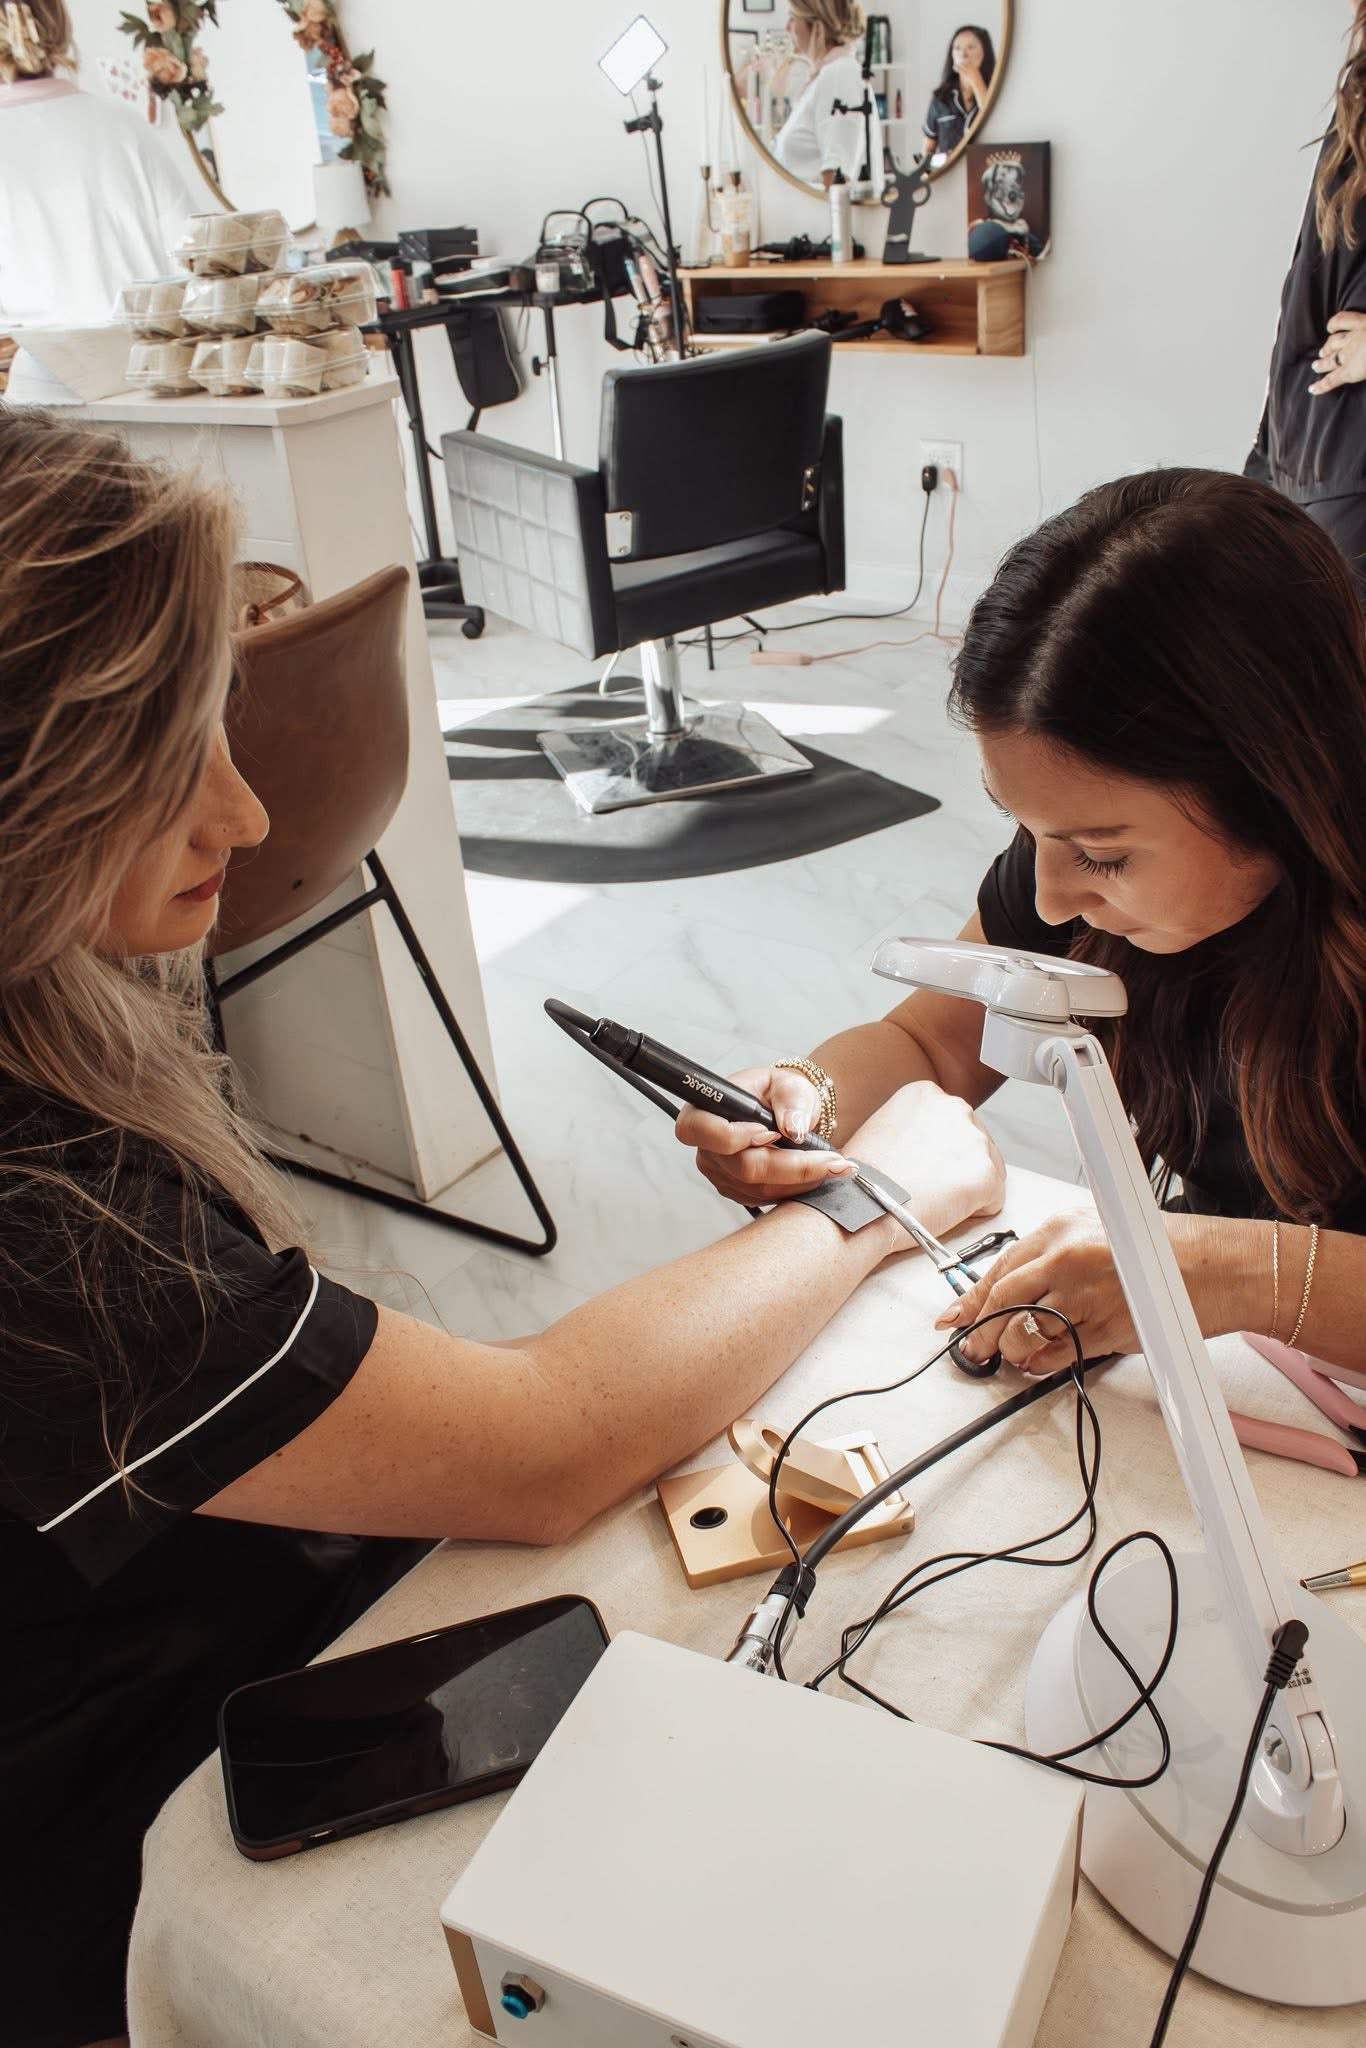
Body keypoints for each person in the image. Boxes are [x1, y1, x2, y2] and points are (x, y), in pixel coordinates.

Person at [0, 407, 1003, 2048]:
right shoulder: (53, 1241)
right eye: (176, 756)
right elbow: (540, 1440)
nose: (249, 818)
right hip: (125, 1849)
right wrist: (880, 1206)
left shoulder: (61, 1048)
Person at [678, 468, 1366, 1385]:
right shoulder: (1072, 866)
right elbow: (933, 1041)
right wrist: (808, 1103)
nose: (1045, 899)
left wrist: (1228, 1270)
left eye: (1104, 854)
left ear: (1278, 789)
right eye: (1026, 828)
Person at [0, 1, 205, 403]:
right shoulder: (123, 123)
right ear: (59, 26)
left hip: (46, 395)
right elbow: (197, 258)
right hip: (153, 379)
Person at [1247, 0, 1366, 595]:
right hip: (1301, 441)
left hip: (1348, 457)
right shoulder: (1358, 94)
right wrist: (1268, 449)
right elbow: (1310, 280)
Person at [772, 0, 884, 192]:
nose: (787, 27)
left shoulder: (840, 74)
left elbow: (838, 178)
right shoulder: (826, 76)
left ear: (817, 25)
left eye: (792, 18)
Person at [921, 23, 995, 164]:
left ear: (985, 52)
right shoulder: (940, 99)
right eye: (957, 48)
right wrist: (941, 162)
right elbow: (927, 151)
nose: (963, 53)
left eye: (971, 47)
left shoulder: (996, 90)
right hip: (951, 178)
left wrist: (976, 80)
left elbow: (994, 119)